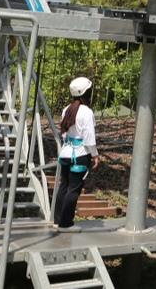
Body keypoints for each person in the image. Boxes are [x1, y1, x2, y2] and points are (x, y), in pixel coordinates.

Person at [55, 76, 99, 231]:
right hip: (79, 155)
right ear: (86, 92)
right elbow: (88, 137)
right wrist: (94, 155)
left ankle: (58, 219)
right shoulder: (86, 111)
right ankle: (66, 223)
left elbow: (64, 134)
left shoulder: (66, 109)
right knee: (74, 188)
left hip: (65, 153)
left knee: (64, 186)